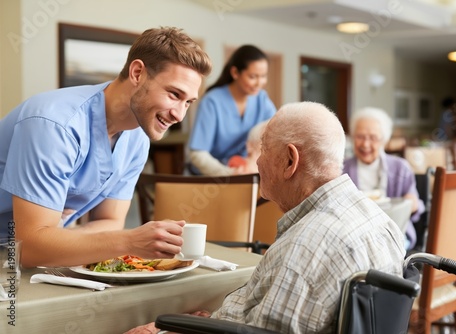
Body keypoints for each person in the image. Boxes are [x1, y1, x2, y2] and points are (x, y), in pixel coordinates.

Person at [126, 101, 406, 333]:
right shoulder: (381, 221)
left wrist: (165, 331)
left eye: (263, 149)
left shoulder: (305, 246)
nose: (258, 161)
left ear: (289, 161)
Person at [0, 27, 212, 268]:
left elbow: (110, 222)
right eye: (174, 94)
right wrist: (130, 240)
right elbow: (30, 248)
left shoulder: (137, 138)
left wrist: (57, 239)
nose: (179, 115)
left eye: (188, 103)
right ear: (137, 73)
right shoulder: (54, 124)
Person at [343, 107, 424, 250]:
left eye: (373, 138)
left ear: (384, 141)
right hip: (354, 236)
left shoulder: (400, 168)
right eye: (360, 136)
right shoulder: (341, 169)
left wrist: (410, 203)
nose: (365, 144)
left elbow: (415, 205)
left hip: (394, 233)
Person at [188, 44, 276, 176]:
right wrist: (229, 173)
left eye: (263, 76)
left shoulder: (261, 99)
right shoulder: (212, 101)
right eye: (253, 77)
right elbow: (197, 153)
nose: (259, 83)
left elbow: (277, 130)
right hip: (211, 174)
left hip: (244, 170)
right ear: (235, 73)